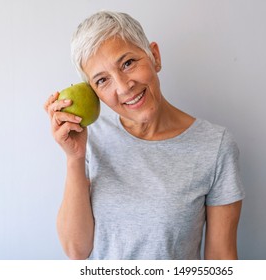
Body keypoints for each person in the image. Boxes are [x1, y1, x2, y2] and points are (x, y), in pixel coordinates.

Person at [44, 11, 245, 260]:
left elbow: (221, 259)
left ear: (155, 57)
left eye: (128, 63)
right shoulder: (90, 138)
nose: (123, 86)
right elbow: (77, 250)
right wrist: (74, 158)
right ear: (93, 91)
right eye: (102, 80)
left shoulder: (215, 146)